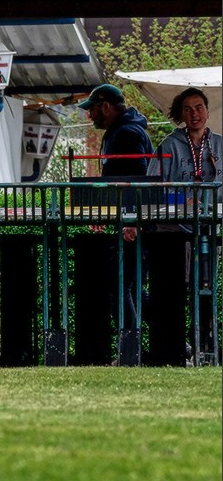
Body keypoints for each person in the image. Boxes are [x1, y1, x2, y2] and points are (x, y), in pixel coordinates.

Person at [77, 83, 154, 365]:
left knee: (123, 288)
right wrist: (104, 213)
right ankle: (171, 339)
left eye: (93, 110)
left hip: (133, 226)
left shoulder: (127, 134)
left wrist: (131, 221)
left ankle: (132, 350)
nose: (90, 116)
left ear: (106, 106)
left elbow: (136, 179)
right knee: (129, 288)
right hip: (128, 223)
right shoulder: (120, 132)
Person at [145, 88, 221, 366]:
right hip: (173, 232)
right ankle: (172, 353)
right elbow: (153, 191)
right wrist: (182, 198)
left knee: (207, 289)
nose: (194, 114)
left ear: (207, 111)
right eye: (188, 109)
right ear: (181, 114)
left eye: (199, 107)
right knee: (173, 293)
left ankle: (207, 349)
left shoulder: (219, 145)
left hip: (209, 230)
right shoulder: (169, 145)